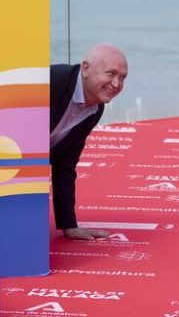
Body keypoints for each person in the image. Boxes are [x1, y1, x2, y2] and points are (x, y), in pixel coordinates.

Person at [50, 43, 128, 240]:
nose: (116, 84)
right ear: (86, 68)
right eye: (111, 73)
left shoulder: (95, 108)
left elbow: (65, 163)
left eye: (122, 77)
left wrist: (69, 224)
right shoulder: (54, 81)